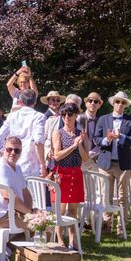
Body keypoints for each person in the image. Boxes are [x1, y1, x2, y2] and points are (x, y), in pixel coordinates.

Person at [93, 91, 131, 237]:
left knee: (122, 197)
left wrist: (121, 137)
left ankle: (121, 227)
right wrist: (107, 140)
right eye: (117, 102)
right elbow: (96, 138)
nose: (120, 105)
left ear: (125, 105)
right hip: (105, 162)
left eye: (123, 102)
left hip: (123, 163)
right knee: (106, 196)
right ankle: (107, 225)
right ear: (113, 103)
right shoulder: (103, 119)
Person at [52, 103, 88, 249]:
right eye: (64, 114)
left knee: (73, 211)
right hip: (62, 174)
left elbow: (85, 158)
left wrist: (79, 145)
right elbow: (57, 156)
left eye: (70, 114)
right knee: (59, 211)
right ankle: (60, 240)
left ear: (75, 116)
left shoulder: (81, 133)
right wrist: (73, 146)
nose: (67, 117)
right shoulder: (58, 133)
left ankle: (73, 240)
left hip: (76, 173)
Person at [0, 89, 46, 177]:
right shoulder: (39, 117)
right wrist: (43, 164)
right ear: (35, 102)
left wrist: (4, 155)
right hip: (31, 165)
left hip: (12, 162)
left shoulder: (12, 116)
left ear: (20, 102)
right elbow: (38, 141)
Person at [0, 136, 34, 230]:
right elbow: (8, 196)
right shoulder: (0, 167)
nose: (13, 153)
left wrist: (29, 211)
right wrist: (29, 213)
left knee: (45, 220)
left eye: (17, 151)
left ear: (20, 153)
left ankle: (14, 244)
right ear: (4, 150)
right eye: (9, 149)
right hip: (1, 216)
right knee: (44, 224)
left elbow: (26, 192)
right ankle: (14, 244)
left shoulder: (18, 167)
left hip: (14, 212)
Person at [78, 92, 103, 170]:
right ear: (86, 103)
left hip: (95, 160)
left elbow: (101, 140)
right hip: (79, 159)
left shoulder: (101, 121)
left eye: (96, 101)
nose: (93, 103)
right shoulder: (79, 118)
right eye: (90, 101)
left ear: (99, 105)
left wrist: (93, 153)